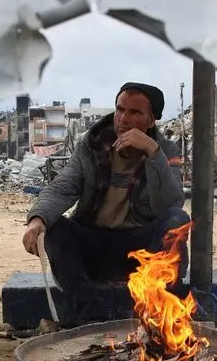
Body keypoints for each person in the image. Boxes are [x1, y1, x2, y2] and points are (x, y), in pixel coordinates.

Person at [22, 82, 189, 321]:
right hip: (94, 245)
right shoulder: (92, 146)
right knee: (55, 227)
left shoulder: (165, 151)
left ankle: (157, 309)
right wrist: (37, 219)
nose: (124, 119)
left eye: (135, 112)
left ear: (151, 120)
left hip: (142, 252)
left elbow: (171, 203)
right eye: (120, 109)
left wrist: (154, 154)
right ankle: (87, 309)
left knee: (177, 220)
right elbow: (63, 186)